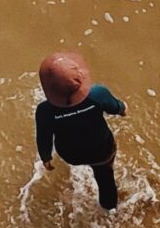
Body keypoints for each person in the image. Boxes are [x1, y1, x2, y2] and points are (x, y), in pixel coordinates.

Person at [35, 51, 127, 210]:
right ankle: (109, 210)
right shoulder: (97, 94)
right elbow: (117, 108)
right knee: (105, 177)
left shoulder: (45, 111)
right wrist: (123, 109)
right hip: (102, 151)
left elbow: (43, 137)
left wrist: (46, 157)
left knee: (81, 157)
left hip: (72, 154)